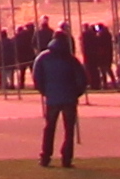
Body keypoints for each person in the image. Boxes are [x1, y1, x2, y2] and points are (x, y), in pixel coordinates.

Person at [30, 24, 86, 167]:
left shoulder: (43, 58)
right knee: (69, 130)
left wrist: (45, 92)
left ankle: (45, 157)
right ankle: (66, 159)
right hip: (69, 97)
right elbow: (82, 79)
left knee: (49, 128)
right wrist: (76, 94)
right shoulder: (71, 59)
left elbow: (37, 77)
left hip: (52, 97)